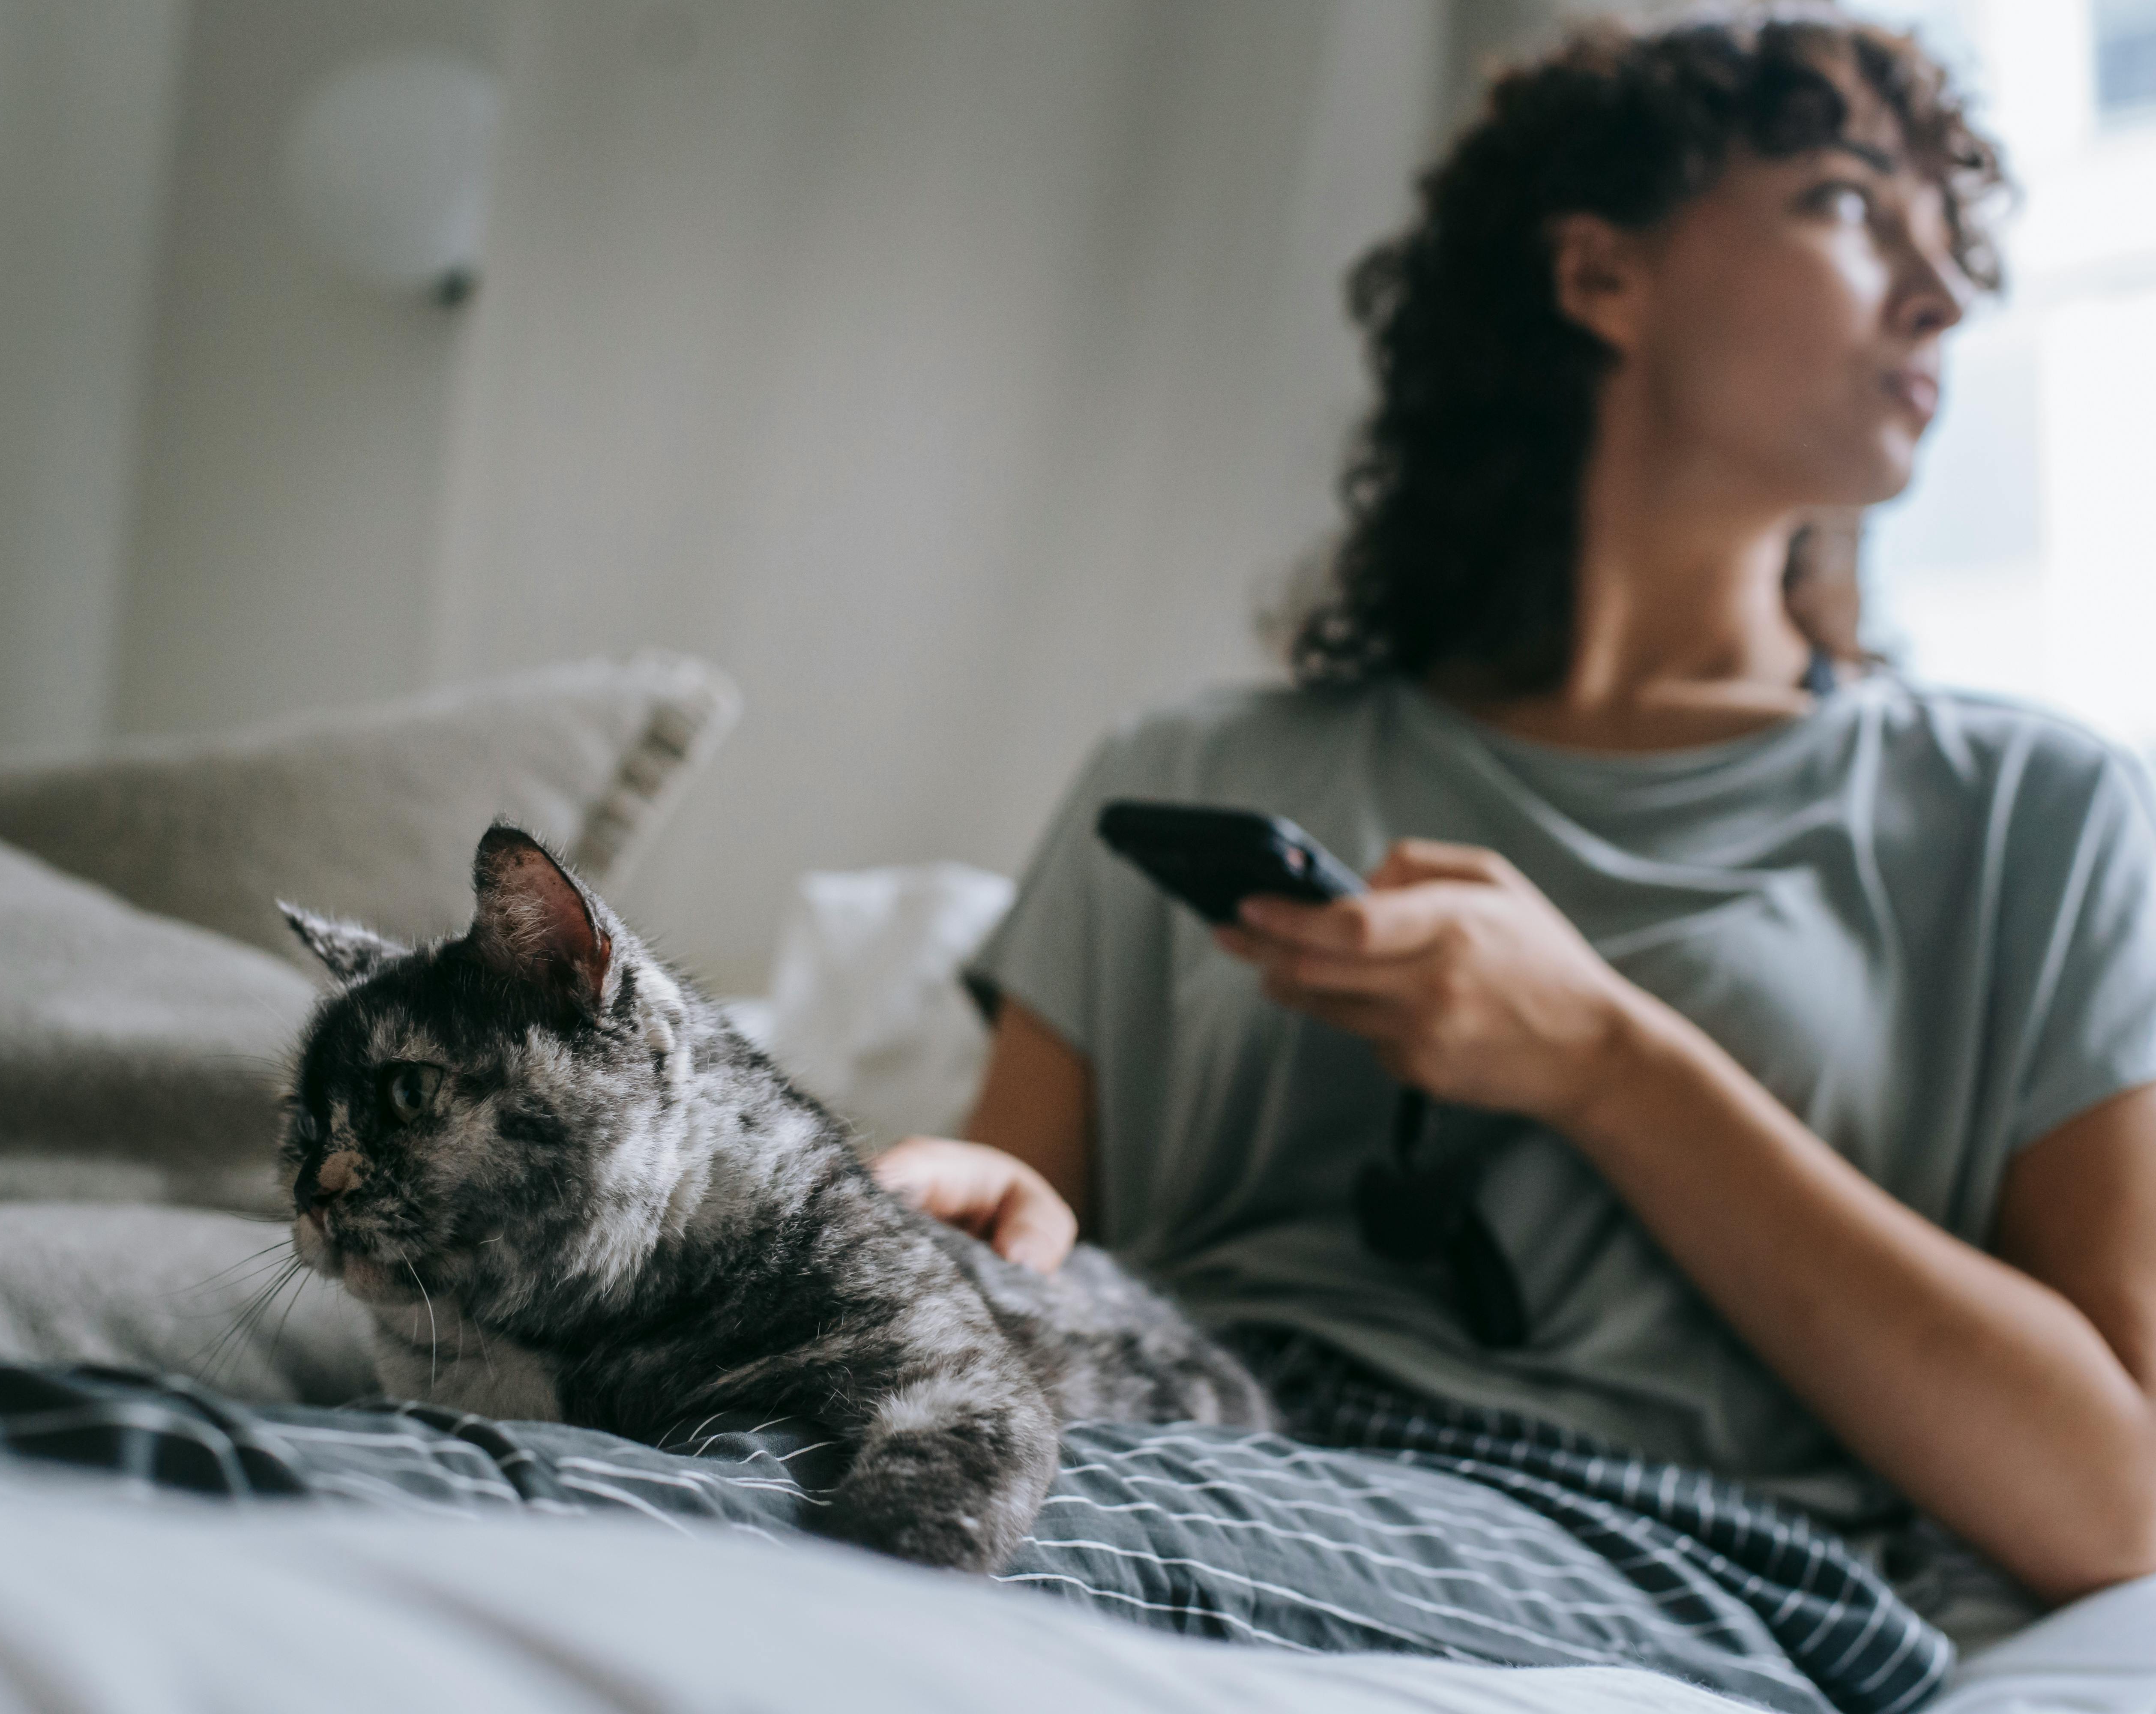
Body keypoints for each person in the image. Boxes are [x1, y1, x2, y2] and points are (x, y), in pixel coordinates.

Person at [877, 8, 2156, 1622]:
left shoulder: (2030, 815)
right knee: (757, 1454)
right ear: (1599, 276)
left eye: (1950, 247)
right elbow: (1002, 1243)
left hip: (1645, 1543)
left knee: (843, 1520)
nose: (1944, 293)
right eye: (1848, 203)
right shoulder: (1195, 769)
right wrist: (960, 1230)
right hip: (1162, 1431)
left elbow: (2119, 1500)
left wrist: (1604, 1060)